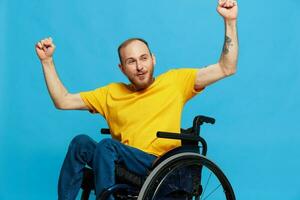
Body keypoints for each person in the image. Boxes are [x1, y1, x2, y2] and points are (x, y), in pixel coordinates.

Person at [35, 0, 238, 199]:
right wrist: (47, 61)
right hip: (120, 162)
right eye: (131, 62)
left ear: (153, 59)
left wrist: (230, 22)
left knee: (107, 146)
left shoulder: (175, 81)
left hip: (157, 164)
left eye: (143, 58)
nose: (140, 66)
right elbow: (62, 101)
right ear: (122, 68)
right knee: (80, 143)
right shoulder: (110, 93)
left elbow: (225, 68)